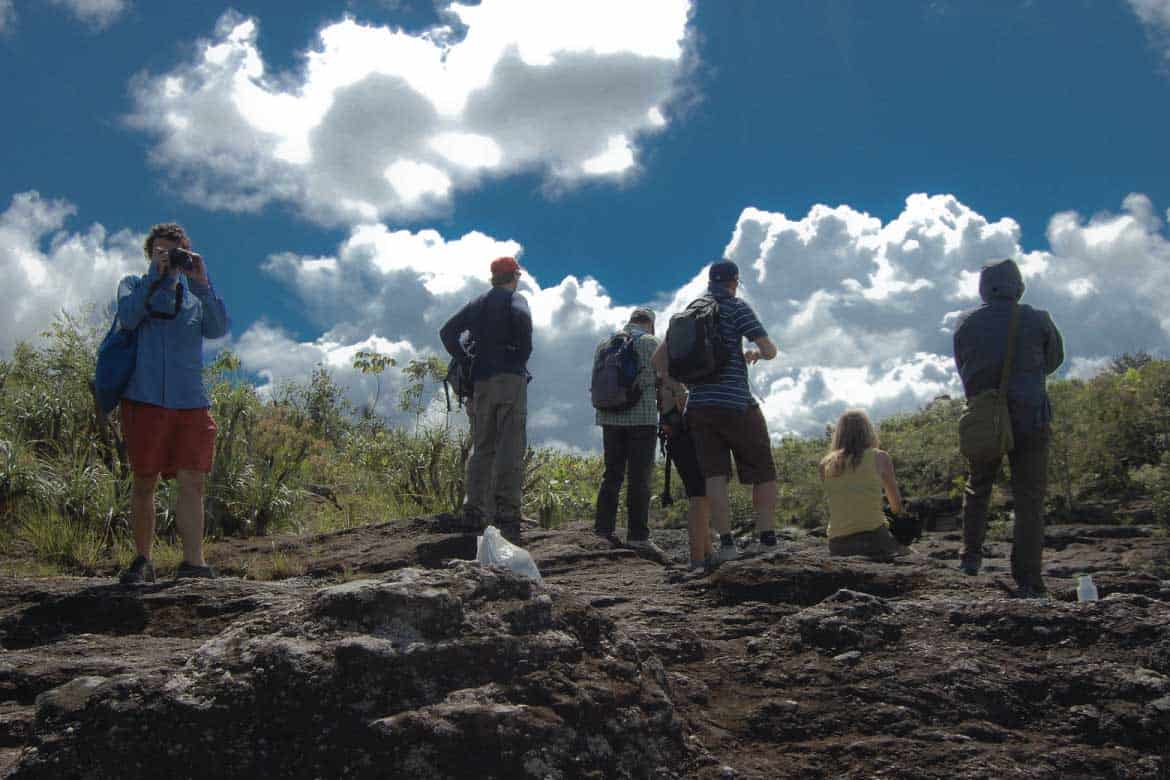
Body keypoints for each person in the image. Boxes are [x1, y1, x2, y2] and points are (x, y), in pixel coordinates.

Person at [116, 223, 229, 585]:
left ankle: (194, 563)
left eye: (174, 252)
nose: (168, 258)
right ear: (149, 254)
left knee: (193, 480)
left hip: (191, 401)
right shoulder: (134, 285)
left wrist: (201, 282)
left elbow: (218, 328)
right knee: (144, 480)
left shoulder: (194, 297)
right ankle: (142, 560)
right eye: (160, 251)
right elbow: (129, 317)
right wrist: (155, 277)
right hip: (144, 397)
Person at [953, 258, 1064, 597]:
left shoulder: (965, 323)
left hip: (985, 416)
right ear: (1019, 287)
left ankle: (970, 559)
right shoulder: (1038, 319)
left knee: (978, 485)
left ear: (984, 289)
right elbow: (1054, 360)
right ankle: (1028, 577)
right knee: (1029, 498)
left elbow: (963, 366)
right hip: (1032, 415)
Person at [680, 259, 779, 562]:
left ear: (710, 282)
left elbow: (662, 360)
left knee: (715, 476)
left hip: (698, 406)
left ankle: (726, 546)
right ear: (734, 282)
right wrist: (755, 354)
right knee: (763, 470)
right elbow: (770, 350)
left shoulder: (690, 311)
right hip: (736, 402)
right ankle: (767, 540)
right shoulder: (736, 307)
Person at [440, 256, 533, 543]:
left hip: (480, 381)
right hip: (509, 379)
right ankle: (506, 512)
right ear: (514, 276)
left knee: (482, 446)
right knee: (511, 444)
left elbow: (447, 332)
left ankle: (475, 509)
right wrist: (518, 358)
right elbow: (524, 327)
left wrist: (466, 359)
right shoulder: (516, 300)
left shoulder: (477, 303)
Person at [592, 308, 667, 560]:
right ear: (650, 324)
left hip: (609, 416)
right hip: (641, 419)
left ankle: (603, 530)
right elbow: (663, 377)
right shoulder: (651, 342)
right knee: (639, 478)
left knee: (611, 474)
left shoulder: (604, 344)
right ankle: (638, 537)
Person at [652, 342, 713, 570]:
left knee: (701, 495)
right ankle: (698, 559)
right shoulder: (675, 379)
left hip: (676, 440)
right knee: (700, 495)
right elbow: (686, 407)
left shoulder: (663, 377)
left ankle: (707, 553)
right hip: (688, 439)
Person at [820, 409, 910, 560]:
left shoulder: (825, 463)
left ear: (839, 433)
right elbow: (896, 507)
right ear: (868, 431)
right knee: (911, 554)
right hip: (873, 539)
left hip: (837, 544)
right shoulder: (880, 457)